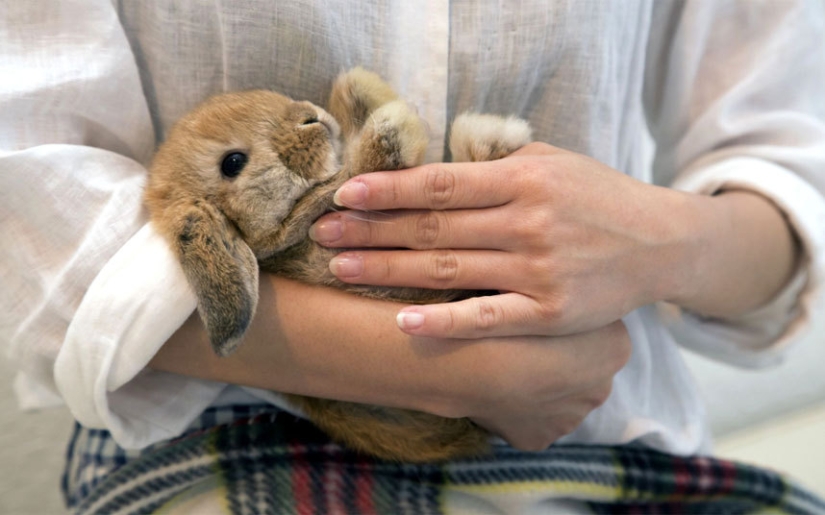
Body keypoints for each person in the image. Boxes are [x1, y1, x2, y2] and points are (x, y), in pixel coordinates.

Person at [2, 0, 824, 513]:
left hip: (612, 432)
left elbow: (784, 171)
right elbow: (36, 209)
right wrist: (438, 365)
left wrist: (654, 239)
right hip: (228, 435)